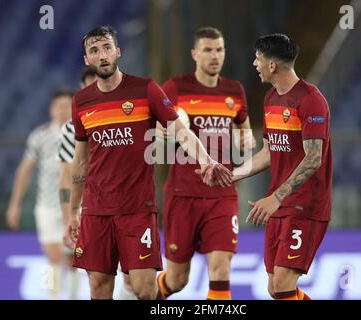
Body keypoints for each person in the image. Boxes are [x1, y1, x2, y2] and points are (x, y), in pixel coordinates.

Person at [66, 25, 231, 300]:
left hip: (136, 209)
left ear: (117, 51)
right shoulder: (81, 101)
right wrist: (73, 210)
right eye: (94, 51)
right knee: (98, 287)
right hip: (97, 209)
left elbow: (183, 133)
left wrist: (206, 160)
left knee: (145, 289)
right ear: (87, 59)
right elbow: (80, 160)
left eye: (107, 47)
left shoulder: (146, 90)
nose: (102, 55)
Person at [206, 33, 332, 300]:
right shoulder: (271, 99)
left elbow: (313, 158)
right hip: (279, 203)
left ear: (272, 65)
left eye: (258, 58)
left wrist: (275, 197)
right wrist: (232, 175)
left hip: (305, 205)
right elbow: (269, 152)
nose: (254, 63)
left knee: (284, 282)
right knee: (275, 287)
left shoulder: (311, 100)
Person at [156, 27, 256, 300]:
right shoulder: (176, 88)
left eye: (220, 50)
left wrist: (245, 141)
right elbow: (157, 128)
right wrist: (164, 132)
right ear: (195, 54)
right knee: (177, 280)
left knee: (220, 269)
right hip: (183, 194)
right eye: (208, 50)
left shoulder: (234, 91)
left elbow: (244, 131)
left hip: (222, 194)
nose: (215, 56)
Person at [59, 66, 137, 300]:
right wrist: (69, 218)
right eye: (89, 85)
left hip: (128, 207)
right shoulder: (71, 129)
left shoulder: (127, 117)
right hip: (91, 209)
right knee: (97, 280)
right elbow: (65, 176)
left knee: (134, 280)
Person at [6, 89, 73, 299]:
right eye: (59, 106)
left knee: (72, 260)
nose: (63, 111)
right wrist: (15, 204)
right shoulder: (40, 135)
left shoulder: (82, 134)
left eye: (67, 106)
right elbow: (24, 171)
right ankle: (52, 296)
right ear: (51, 110)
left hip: (74, 206)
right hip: (47, 206)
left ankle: (72, 296)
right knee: (52, 257)